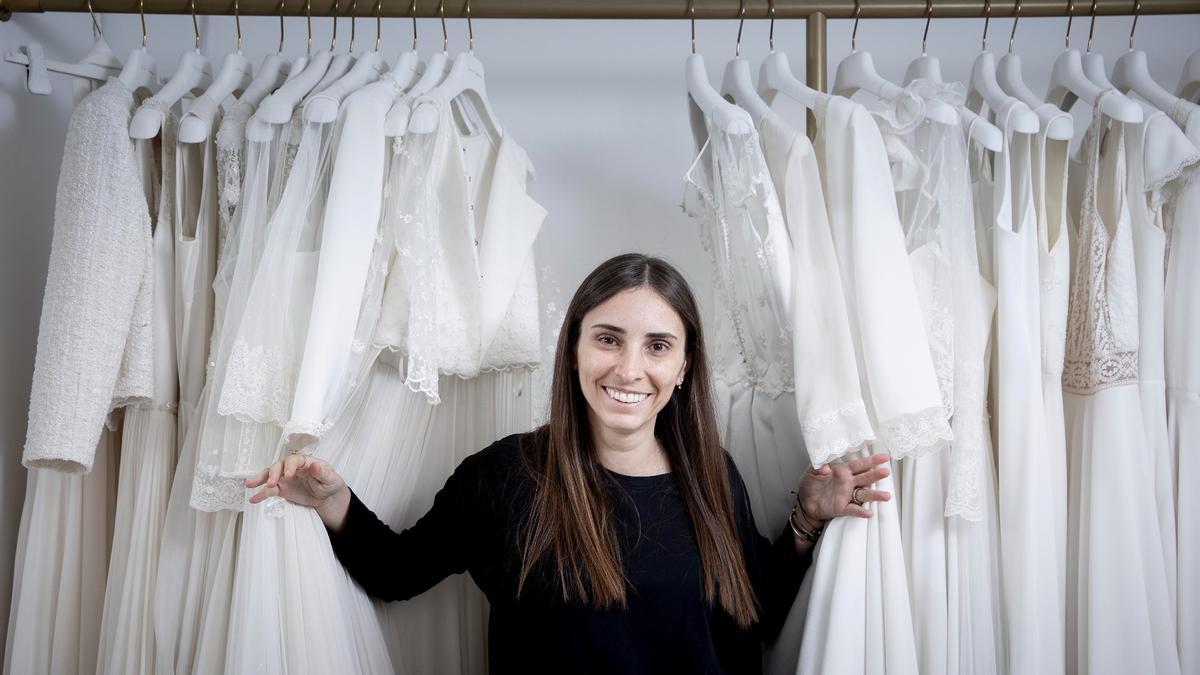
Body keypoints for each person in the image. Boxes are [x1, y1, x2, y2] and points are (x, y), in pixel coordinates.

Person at [247, 253, 891, 674]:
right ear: (575, 350)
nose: (630, 369)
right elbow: (395, 572)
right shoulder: (504, 478)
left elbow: (755, 615)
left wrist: (807, 520)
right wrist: (332, 502)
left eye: (658, 346)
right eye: (609, 339)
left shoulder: (712, 474)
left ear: (684, 366)